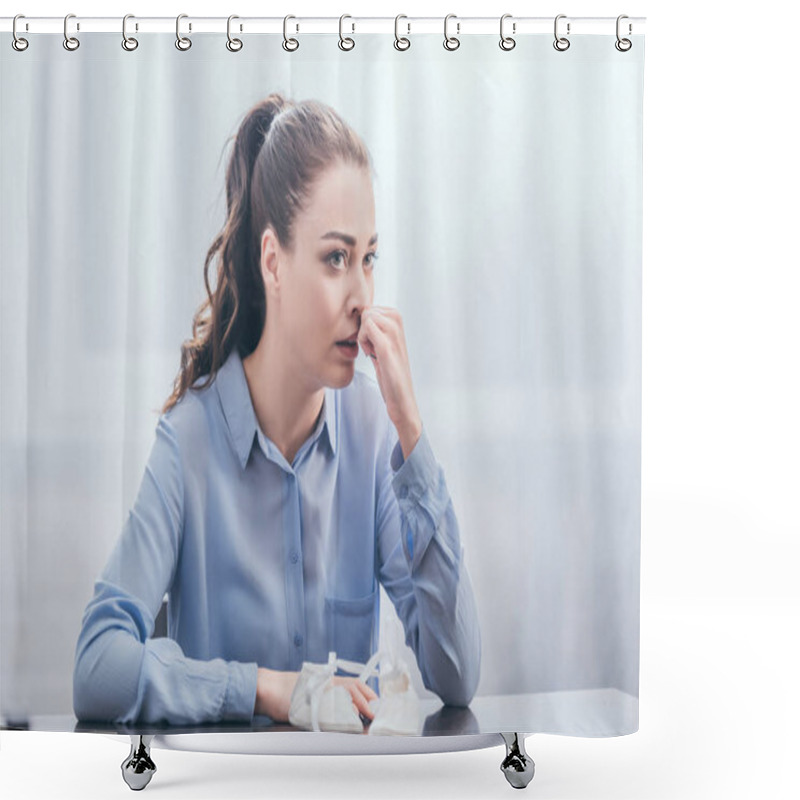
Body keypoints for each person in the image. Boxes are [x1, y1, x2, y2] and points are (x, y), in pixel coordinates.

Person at [72, 93, 481, 726]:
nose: (362, 298)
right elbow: (97, 667)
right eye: (335, 259)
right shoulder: (189, 444)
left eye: (368, 258)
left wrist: (412, 433)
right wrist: (269, 689)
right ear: (273, 262)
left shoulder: (375, 437)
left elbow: (457, 677)